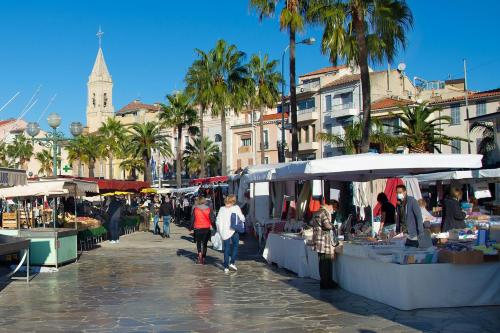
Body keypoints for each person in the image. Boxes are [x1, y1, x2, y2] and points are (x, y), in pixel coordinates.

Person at [216, 194, 245, 273]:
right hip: (234, 230)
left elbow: (217, 221)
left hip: (224, 231)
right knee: (235, 246)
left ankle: (226, 267)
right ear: (233, 201)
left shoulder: (222, 209)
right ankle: (232, 262)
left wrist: (219, 231)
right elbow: (242, 218)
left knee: (227, 248)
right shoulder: (236, 208)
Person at [311, 204, 337, 289]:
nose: (332, 212)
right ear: (330, 207)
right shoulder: (324, 212)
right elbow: (327, 225)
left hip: (317, 239)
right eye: (332, 210)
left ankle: (323, 281)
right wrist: (333, 226)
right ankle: (327, 282)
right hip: (324, 240)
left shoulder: (316, 212)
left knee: (321, 262)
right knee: (326, 262)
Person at [191, 196, 214, 264]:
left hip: (197, 228)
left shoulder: (195, 209)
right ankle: (203, 258)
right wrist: (214, 226)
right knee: (205, 244)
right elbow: (212, 219)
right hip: (206, 228)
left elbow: (192, 219)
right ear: (204, 201)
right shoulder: (209, 209)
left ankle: (199, 255)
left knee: (198, 242)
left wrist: (190, 227)